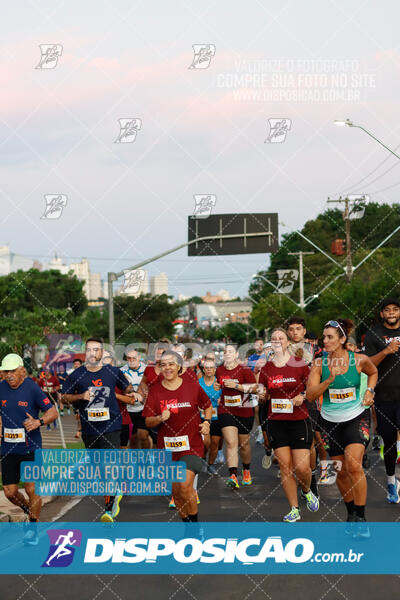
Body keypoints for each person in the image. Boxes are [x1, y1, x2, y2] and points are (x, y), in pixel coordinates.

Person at [306, 319, 378, 536]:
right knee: (340, 471)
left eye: (330, 337)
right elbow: (310, 395)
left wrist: (370, 391)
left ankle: (362, 518)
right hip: (330, 421)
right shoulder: (319, 364)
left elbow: (373, 372)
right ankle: (350, 513)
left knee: (354, 465)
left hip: (357, 417)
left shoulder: (360, 360)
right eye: (324, 337)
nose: (325, 341)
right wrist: (328, 381)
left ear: (342, 340)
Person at [61, 338, 134, 523]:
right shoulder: (76, 375)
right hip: (90, 429)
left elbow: (127, 386)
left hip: (111, 426)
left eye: (96, 349)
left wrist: (132, 391)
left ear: (102, 353)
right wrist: (81, 396)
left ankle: (108, 511)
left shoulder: (112, 371)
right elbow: (64, 398)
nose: (92, 353)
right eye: (89, 350)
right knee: (101, 470)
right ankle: (114, 492)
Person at [143, 351, 212, 523]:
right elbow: (148, 422)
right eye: (163, 365)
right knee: (176, 492)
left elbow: (208, 405)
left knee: (184, 485)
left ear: (179, 367)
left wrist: (207, 422)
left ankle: (195, 528)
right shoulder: (155, 392)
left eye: (171, 364)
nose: (167, 368)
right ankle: (187, 524)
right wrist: (159, 418)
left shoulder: (192, 386)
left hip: (192, 445)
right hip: (167, 449)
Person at [258, 329, 319, 522]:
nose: (277, 341)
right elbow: (263, 392)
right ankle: (294, 509)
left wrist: (302, 396)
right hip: (276, 422)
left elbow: (311, 389)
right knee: (285, 468)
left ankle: (307, 490)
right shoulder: (266, 368)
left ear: (287, 343)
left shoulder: (299, 365)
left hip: (298, 421)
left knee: (302, 468)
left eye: (280, 338)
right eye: (273, 339)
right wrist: (261, 395)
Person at [0, 354, 58, 545]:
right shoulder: (0, 388)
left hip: (30, 447)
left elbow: (53, 412)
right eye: (5, 371)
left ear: (21, 370)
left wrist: (38, 421)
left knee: (31, 487)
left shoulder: (32, 388)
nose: (8, 375)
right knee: (9, 492)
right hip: (7, 448)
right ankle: (29, 511)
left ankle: (32, 528)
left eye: (12, 371)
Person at [363, 297, 400, 502]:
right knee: (389, 442)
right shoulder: (374, 334)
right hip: (384, 396)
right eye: (388, 310)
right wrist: (386, 350)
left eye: (395, 309)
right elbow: (367, 364)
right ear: (382, 314)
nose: (392, 313)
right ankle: (391, 482)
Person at [287, 316, 323, 498]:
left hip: (308, 401)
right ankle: (301, 478)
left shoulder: (315, 350)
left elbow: (319, 375)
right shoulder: (281, 350)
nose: (295, 332)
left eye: (298, 329)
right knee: (291, 446)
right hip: (285, 404)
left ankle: (312, 480)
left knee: (310, 442)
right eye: (292, 329)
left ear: (304, 331)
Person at [215, 344, 257, 489]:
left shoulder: (244, 370)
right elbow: (217, 385)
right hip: (226, 410)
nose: (227, 354)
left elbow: (255, 388)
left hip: (244, 411)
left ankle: (246, 470)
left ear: (236, 355)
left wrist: (237, 386)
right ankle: (233, 476)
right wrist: (216, 386)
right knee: (231, 443)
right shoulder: (219, 370)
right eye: (225, 351)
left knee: (244, 445)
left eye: (230, 351)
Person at [120, 349, 148, 448]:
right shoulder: (122, 371)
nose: (131, 360)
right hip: (128, 409)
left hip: (143, 408)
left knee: (143, 435)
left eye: (134, 358)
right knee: (132, 437)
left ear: (139, 358)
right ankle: (135, 459)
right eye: (129, 358)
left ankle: (146, 458)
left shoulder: (146, 369)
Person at [198, 358, 222, 475]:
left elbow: (226, 396)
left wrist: (221, 400)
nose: (209, 370)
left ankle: (211, 465)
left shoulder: (219, 383)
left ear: (215, 369)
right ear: (203, 369)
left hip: (217, 417)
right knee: (206, 442)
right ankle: (202, 456)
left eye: (211, 367)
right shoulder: (198, 383)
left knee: (215, 442)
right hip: (203, 417)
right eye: (206, 368)